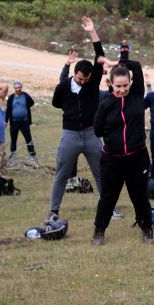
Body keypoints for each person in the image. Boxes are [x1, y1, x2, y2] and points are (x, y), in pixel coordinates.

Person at [46, 17, 105, 224]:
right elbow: (55, 103)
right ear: (75, 74)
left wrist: (92, 32)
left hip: (91, 134)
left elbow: (100, 55)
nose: (82, 82)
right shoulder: (63, 86)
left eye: (86, 79)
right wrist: (71, 110)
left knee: (101, 174)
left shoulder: (92, 82)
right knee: (61, 175)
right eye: (80, 79)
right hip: (70, 135)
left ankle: (109, 208)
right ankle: (53, 212)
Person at [92, 57, 154, 245]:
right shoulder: (106, 103)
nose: (122, 90)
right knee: (108, 197)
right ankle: (99, 231)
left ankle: (147, 230)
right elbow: (97, 129)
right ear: (111, 84)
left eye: (125, 85)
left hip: (138, 157)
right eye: (118, 86)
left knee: (140, 195)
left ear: (130, 83)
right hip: (113, 159)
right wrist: (114, 137)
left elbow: (136, 65)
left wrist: (115, 62)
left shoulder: (136, 94)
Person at [5, 81, 36, 160]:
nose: (17, 89)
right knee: (13, 139)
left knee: (28, 138)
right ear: (14, 88)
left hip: (24, 122)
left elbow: (32, 102)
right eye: (16, 88)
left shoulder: (25, 95)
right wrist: (6, 121)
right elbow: (8, 110)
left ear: (21, 88)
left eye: (19, 87)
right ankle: (12, 155)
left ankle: (32, 154)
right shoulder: (11, 97)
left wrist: (25, 107)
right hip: (14, 122)